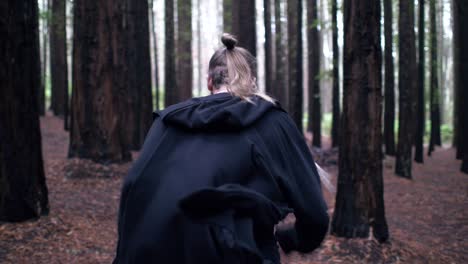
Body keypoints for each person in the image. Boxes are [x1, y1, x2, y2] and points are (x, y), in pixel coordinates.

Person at [113, 34, 329, 264]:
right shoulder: (273, 122)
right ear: (252, 81)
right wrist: (292, 240)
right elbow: (314, 213)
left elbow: (135, 189)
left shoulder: (167, 121)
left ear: (209, 81)